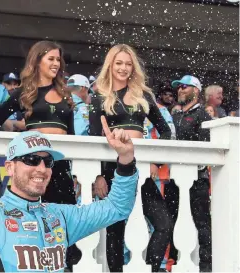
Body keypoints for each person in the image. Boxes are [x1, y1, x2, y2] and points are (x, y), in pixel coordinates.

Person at [0, 115, 139, 272]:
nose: (41, 169)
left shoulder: (60, 216)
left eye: (48, 161)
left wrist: (126, 159)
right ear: (10, 167)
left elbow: (117, 208)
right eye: (31, 160)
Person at [0, 41, 80, 268]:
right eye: (51, 59)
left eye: (58, 60)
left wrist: (76, 171)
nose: (56, 64)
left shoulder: (66, 94)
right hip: (34, 166)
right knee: (36, 222)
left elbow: (74, 136)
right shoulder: (24, 92)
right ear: (37, 61)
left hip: (60, 166)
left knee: (63, 223)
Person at [88, 44, 171, 272]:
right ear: (110, 65)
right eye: (119, 63)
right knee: (115, 229)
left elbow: (165, 130)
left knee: (163, 224)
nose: (124, 68)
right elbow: (94, 138)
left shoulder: (142, 95)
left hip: (141, 169)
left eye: (128, 63)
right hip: (112, 171)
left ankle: (150, 268)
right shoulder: (99, 97)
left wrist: (156, 161)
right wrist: (98, 175)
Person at [171, 75, 212, 272]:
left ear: (196, 91)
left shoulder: (203, 114)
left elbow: (206, 147)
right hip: (174, 178)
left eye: (185, 87)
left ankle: (206, 266)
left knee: (202, 223)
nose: (180, 90)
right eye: (178, 87)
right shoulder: (175, 115)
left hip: (197, 179)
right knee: (172, 220)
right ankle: (172, 263)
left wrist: (195, 170)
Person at [142, 103, 179, 272]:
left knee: (160, 225)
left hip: (156, 175)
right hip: (124, 170)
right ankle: (126, 264)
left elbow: (168, 134)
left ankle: (158, 266)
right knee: (122, 225)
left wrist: (155, 161)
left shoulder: (160, 109)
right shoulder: (116, 102)